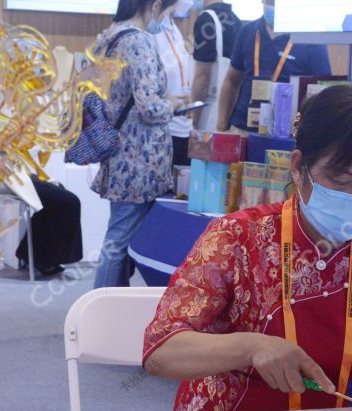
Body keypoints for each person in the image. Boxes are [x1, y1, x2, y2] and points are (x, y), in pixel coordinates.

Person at [143, 85, 352, 411]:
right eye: (340, 180)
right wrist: (251, 347)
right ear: (299, 167)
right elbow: (160, 351)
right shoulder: (237, 239)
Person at [92, 0, 183, 289]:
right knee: (117, 243)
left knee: (119, 237)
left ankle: (111, 306)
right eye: (168, 13)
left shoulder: (110, 35)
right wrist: (175, 104)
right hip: (138, 159)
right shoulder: (139, 42)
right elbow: (149, 107)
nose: (167, 21)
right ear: (155, 5)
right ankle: (102, 310)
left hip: (118, 152)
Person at [216, 0, 332, 134]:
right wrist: (221, 125)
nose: (274, 5)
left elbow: (324, 92)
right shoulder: (247, 31)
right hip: (242, 129)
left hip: (288, 134)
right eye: (270, 2)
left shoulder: (310, 38)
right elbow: (231, 81)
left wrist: (300, 132)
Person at [190, 0, 242, 131]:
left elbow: (203, 77)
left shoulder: (206, 19)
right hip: (231, 114)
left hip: (209, 113)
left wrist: (193, 120)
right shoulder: (236, 20)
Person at [16, 176, 83, 276]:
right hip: (8, 178)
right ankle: (42, 259)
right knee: (69, 201)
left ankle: (37, 256)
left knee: (59, 193)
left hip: (17, 175)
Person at [154, 7, 194, 166]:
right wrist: (166, 99)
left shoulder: (174, 27)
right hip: (164, 127)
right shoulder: (152, 30)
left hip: (184, 125)